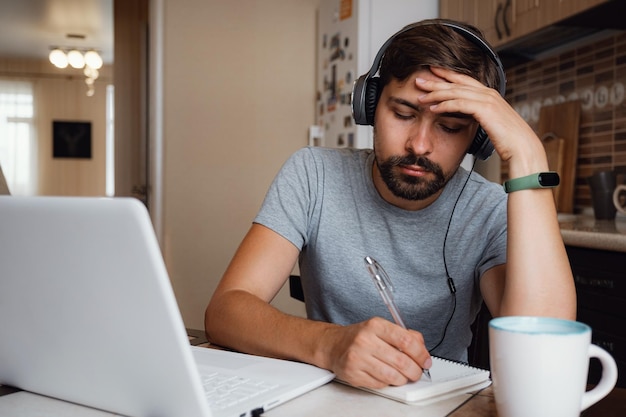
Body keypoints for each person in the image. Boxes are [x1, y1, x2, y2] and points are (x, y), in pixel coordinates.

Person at [205, 18, 576, 390]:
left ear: (476, 139)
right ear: (369, 105)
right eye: (402, 114)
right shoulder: (312, 174)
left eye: (449, 127)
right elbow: (226, 311)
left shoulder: (488, 209)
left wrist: (528, 154)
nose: (419, 145)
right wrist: (330, 344)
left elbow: (544, 351)